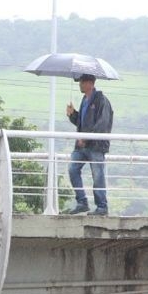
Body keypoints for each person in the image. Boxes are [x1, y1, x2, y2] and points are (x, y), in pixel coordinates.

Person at [64, 73, 114, 215]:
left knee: (97, 174)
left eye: (81, 82)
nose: (79, 84)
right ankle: (82, 202)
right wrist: (73, 114)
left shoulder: (102, 101)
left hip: (96, 146)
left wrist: (86, 138)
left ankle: (102, 207)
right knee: (73, 169)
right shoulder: (85, 100)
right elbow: (81, 122)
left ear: (90, 83)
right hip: (82, 145)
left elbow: (102, 124)